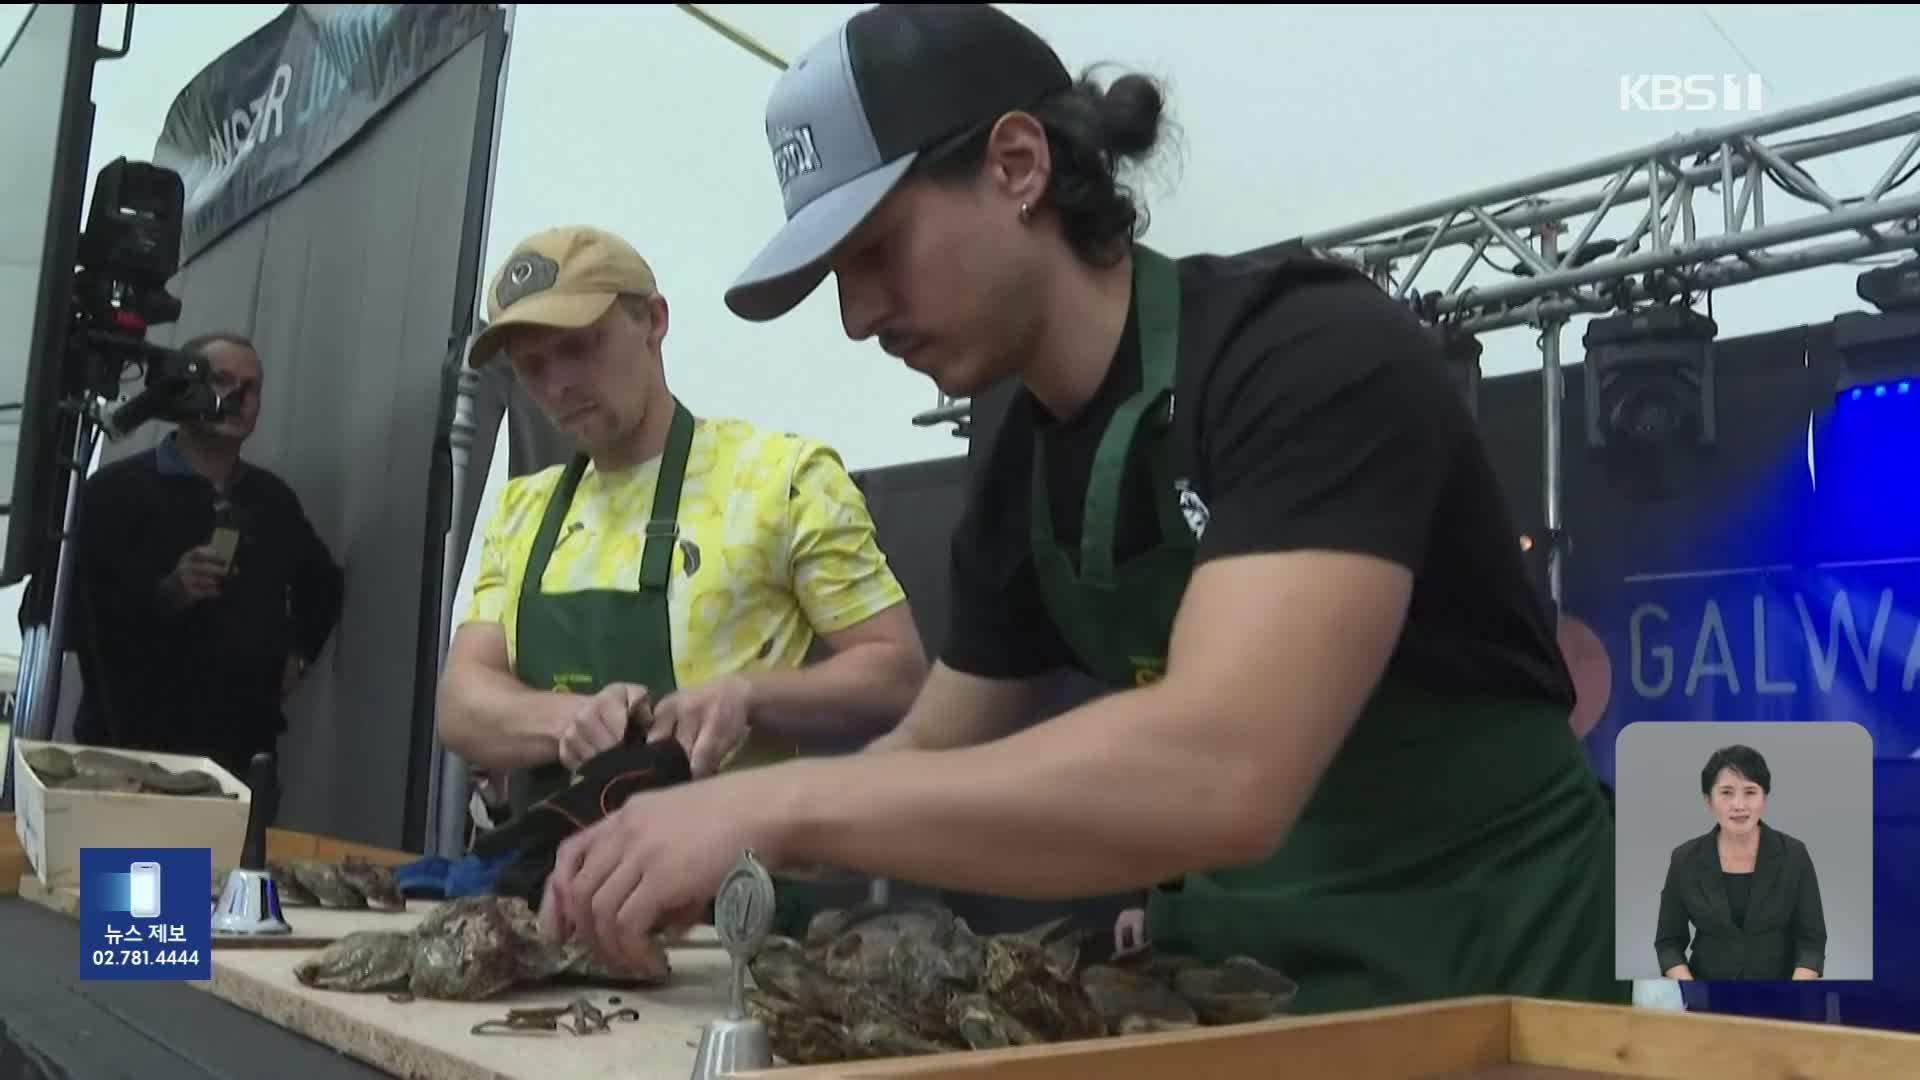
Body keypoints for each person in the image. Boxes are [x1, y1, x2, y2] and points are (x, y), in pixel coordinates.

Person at [537, 5, 1626, 1015]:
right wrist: (711, 847)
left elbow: (1224, 766)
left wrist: (775, 805)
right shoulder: (1021, 458)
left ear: (1018, 165)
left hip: (1496, 978)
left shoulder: (1307, 355)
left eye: (876, 252)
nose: (859, 317)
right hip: (1249, 993)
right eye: (834, 278)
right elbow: (928, 749)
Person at [436, 225, 928, 927]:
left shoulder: (782, 477)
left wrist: (747, 696)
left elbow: (897, 674)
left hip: (729, 925)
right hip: (550, 911)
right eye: (531, 364)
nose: (558, 384)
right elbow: (462, 699)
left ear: (654, 321)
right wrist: (566, 719)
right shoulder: (524, 510)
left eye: (578, 346)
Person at [71, 331, 345, 822]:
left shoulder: (271, 501)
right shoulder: (112, 495)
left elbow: (323, 584)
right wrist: (166, 595)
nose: (240, 397)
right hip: (130, 764)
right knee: (125, 899)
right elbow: (74, 622)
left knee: (230, 897)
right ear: (179, 389)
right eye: (222, 380)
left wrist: (298, 655)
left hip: (240, 768)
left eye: (253, 386)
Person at [1654, 745, 1827, 981]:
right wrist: (1690, 988)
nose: (1739, 805)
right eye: (1726, 792)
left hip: (1782, 989)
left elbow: (1812, 942)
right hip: (1705, 991)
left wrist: (1793, 991)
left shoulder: (1794, 855)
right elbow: (1668, 943)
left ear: (1764, 797)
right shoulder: (1685, 859)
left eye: (1750, 792)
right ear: (1708, 799)